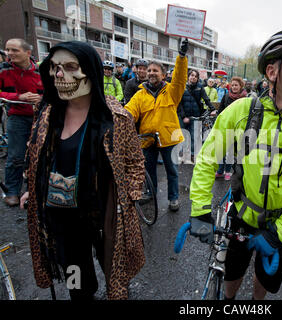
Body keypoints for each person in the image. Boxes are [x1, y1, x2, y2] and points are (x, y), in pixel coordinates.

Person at [188, 29, 282, 300]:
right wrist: (200, 209)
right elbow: (207, 159)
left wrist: (279, 232)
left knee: (265, 278)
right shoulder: (242, 110)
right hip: (241, 216)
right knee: (233, 271)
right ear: (272, 72)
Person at [20, 41, 146, 300]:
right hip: (62, 216)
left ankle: (116, 290)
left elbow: (135, 160)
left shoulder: (116, 118)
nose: (59, 75)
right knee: (76, 279)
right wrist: (31, 187)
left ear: (90, 71)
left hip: (103, 212)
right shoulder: (46, 112)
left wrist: (131, 195)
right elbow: (33, 154)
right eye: (55, 68)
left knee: (112, 266)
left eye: (70, 67)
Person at [125, 39, 189, 212]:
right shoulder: (140, 94)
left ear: (163, 75)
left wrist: (181, 57)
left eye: (155, 71)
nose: (151, 73)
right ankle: (150, 193)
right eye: (149, 70)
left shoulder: (172, 91)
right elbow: (129, 111)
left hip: (169, 139)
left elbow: (180, 78)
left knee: (172, 171)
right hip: (147, 139)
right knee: (148, 169)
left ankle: (173, 198)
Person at [0, 38, 43, 207]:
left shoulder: (42, 71)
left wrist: (40, 99)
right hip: (16, 117)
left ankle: (32, 191)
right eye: (7, 50)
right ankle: (12, 191)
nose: (9, 53)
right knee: (16, 155)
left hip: (39, 117)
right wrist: (19, 97)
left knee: (37, 154)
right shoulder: (3, 70)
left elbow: (54, 92)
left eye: (14, 50)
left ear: (28, 53)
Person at [178, 69, 217, 162]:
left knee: (194, 137)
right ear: (188, 76)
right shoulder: (182, 87)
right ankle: (183, 154)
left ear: (198, 78)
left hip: (196, 115)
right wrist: (183, 117)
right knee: (182, 136)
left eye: (196, 76)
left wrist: (212, 109)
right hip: (184, 116)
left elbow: (206, 99)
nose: (193, 77)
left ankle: (192, 155)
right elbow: (178, 103)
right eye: (192, 75)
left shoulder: (200, 87)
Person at [215, 76, 248, 180]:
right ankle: (220, 171)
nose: (234, 87)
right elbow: (220, 112)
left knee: (230, 151)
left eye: (236, 85)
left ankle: (228, 171)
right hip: (225, 127)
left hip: (238, 128)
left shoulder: (245, 98)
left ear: (241, 86)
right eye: (232, 85)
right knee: (221, 149)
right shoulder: (226, 96)